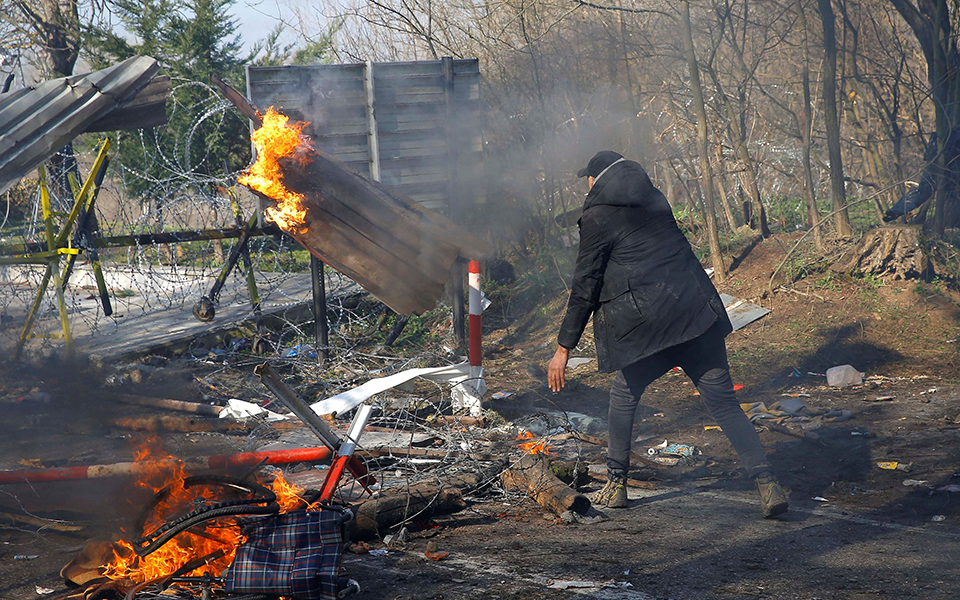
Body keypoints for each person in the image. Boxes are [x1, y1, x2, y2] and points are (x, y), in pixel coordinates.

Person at [547, 151, 788, 518]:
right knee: (724, 404)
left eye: (588, 179)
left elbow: (585, 285)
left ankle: (616, 485)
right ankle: (768, 483)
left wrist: (564, 347)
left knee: (624, 396)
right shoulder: (654, 199)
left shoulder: (597, 216)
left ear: (596, 179)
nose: (587, 186)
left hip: (650, 328)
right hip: (695, 315)